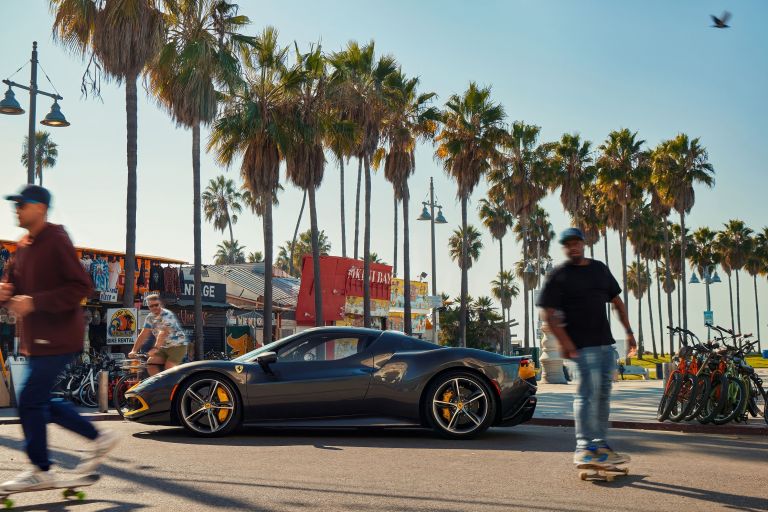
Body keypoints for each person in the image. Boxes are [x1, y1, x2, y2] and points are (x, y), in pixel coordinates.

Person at [0, 185, 118, 492]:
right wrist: (5, 292)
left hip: (60, 337)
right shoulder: (22, 245)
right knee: (41, 403)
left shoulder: (56, 239)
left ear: (39, 208)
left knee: (28, 399)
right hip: (37, 339)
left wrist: (35, 302)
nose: (16, 209)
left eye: (21, 204)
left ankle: (41, 470)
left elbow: (81, 287)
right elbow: (11, 285)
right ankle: (99, 438)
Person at [537, 227, 637, 466]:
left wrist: (629, 332)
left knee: (603, 396)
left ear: (583, 244)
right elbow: (548, 314)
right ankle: (583, 446)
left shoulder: (599, 269)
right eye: (568, 244)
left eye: (576, 243)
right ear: (565, 248)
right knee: (586, 394)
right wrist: (566, 343)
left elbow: (617, 301)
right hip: (581, 348)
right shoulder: (559, 275)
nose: (573, 247)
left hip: (605, 345)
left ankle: (600, 444)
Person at [129, 294, 188, 375]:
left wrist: (155, 348)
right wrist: (134, 350)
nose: (154, 308)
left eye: (156, 305)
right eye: (151, 306)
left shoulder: (167, 315)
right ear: (149, 307)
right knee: (150, 363)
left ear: (161, 304)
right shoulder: (150, 318)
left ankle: (175, 386)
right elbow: (143, 335)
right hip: (163, 346)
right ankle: (159, 385)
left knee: (169, 368)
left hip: (177, 346)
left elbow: (163, 333)